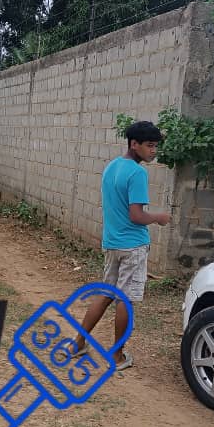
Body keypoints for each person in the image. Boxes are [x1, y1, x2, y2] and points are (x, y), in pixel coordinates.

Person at [71, 120, 171, 370]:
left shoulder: (112, 167)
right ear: (134, 144)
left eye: (155, 146)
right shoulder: (138, 173)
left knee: (105, 294)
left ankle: (78, 343)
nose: (153, 151)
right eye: (149, 146)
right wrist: (159, 218)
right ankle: (116, 357)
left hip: (112, 243)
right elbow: (136, 216)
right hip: (132, 247)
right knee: (124, 302)